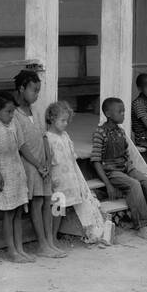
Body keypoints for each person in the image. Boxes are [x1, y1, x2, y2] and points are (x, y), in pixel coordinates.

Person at [90, 97, 147, 241]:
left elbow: (126, 153)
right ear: (108, 114)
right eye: (120, 112)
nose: (123, 114)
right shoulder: (100, 133)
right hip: (112, 172)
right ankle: (142, 226)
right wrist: (107, 184)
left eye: (124, 111)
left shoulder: (120, 131)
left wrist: (132, 170)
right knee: (134, 185)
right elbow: (96, 161)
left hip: (126, 168)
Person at [44, 100, 114, 246]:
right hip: (56, 180)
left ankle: (54, 235)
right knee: (56, 209)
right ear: (52, 118)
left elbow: (71, 157)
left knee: (61, 209)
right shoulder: (48, 138)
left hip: (68, 180)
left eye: (67, 121)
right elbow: (48, 161)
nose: (65, 124)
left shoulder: (65, 136)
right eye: (62, 120)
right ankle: (50, 236)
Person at [13, 69, 66, 258]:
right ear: (21, 89)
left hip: (43, 162)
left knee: (47, 200)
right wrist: (37, 164)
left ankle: (50, 241)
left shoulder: (35, 111)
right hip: (29, 163)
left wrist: (48, 160)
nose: (36, 95)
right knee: (36, 202)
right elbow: (22, 146)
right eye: (33, 90)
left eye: (38, 91)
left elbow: (43, 136)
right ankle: (41, 244)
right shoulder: (15, 114)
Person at [0, 91, 34, 263]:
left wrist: (37, 163)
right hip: (3, 171)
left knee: (18, 211)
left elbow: (21, 144)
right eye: (8, 112)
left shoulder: (13, 123)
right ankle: (12, 251)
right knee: (9, 213)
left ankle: (20, 248)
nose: (11, 115)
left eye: (13, 111)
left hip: (16, 170)